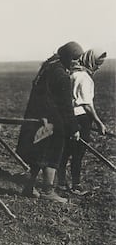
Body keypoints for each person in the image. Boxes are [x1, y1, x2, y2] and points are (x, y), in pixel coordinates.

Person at [16, 41, 83, 203]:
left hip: (40, 118)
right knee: (54, 155)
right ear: (67, 57)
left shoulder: (49, 67)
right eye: (75, 59)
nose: (77, 63)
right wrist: (74, 128)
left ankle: (29, 187)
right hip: (53, 121)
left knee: (38, 153)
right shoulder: (61, 75)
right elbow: (66, 106)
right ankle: (47, 190)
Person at [57, 49, 107, 195]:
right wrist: (98, 122)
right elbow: (86, 104)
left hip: (68, 117)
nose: (98, 67)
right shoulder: (85, 78)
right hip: (81, 118)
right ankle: (76, 185)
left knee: (65, 151)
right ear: (90, 61)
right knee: (78, 153)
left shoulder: (72, 73)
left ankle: (60, 182)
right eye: (97, 63)